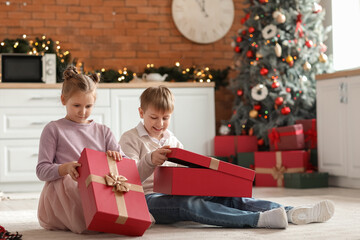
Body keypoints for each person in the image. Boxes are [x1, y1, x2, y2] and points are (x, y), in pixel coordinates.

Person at [120, 85, 335, 229]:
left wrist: (205, 180)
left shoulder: (172, 139)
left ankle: (292, 213)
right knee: (189, 203)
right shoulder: (130, 138)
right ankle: (256, 220)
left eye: (165, 118)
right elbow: (128, 178)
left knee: (230, 197)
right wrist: (150, 160)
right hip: (147, 200)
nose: (159, 124)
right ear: (141, 113)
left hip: (175, 193)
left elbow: (185, 175)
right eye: (153, 117)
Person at [36, 66, 125, 234]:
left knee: (117, 187)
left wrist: (117, 156)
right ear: (63, 100)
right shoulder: (53, 129)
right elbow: (41, 170)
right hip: (64, 191)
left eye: (88, 106)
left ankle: (113, 218)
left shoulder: (103, 131)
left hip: (97, 185)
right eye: (76, 105)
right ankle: (98, 219)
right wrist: (64, 168)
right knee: (77, 186)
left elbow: (125, 163)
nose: (83, 112)